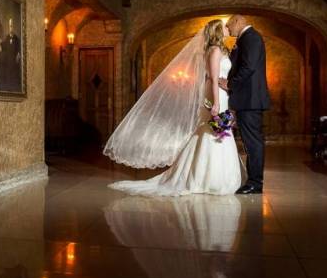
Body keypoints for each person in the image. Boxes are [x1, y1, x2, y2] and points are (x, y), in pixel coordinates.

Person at [104, 19, 243, 196]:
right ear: (217, 31)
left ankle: (213, 174)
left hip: (221, 93)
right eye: (224, 26)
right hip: (216, 94)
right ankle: (209, 177)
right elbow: (214, 79)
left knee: (216, 131)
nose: (227, 28)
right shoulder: (214, 50)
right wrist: (215, 103)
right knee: (214, 131)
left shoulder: (219, 50)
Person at [219, 14, 270, 194]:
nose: (228, 29)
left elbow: (249, 67)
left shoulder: (252, 38)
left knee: (252, 142)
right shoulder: (244, 40)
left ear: (237, 22)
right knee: (247, 141)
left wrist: (230, 84)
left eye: (229, 25)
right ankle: (251, 179)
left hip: (249, 99)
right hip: (241, 99)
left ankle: (256, 182)